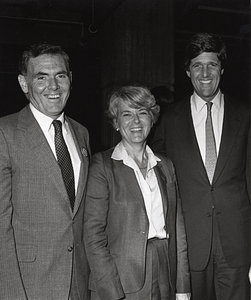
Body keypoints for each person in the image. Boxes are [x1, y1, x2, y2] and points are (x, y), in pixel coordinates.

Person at [150, 33, 251, 299]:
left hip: (236, 243)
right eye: (197, 65)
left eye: (212, 65)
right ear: (187, 70)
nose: (205, 73)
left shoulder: (245, 115)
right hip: (189, 244)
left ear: (222, 69)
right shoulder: (168, 119)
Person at [0, 42, 91, 300]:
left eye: (60, 76)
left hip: (79, 282)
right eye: (41, 77)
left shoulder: (81, 133)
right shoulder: (5, 133)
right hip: (30, 285)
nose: (53, 87)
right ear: (23, 83)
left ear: (70, 79)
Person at [84, 86, 191, 300]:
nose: (135, 122)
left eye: (142, 113)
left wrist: (182, 286)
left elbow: (178, 231)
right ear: (115, 122)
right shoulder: (102, 166)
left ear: (152, 119)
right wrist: (112, 292)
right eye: (126, 114)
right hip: (122, 279)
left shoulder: (166, 165)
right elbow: (93, 235)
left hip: (164, 272)